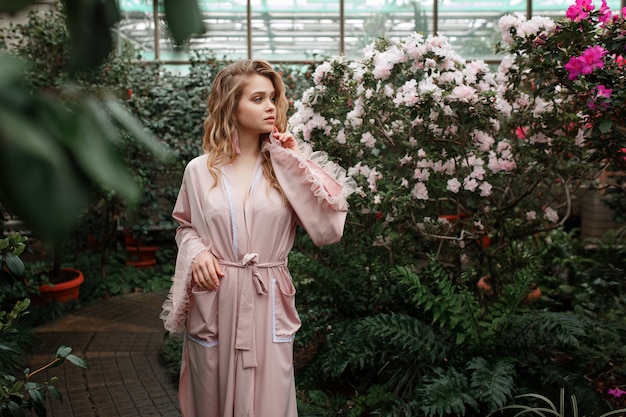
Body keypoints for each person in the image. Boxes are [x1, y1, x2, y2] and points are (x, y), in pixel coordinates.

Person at [160, 59, 355, 417]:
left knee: (269, 403)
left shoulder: (284, 167)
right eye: (258, 98)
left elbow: (329, 229)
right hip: (216, 299)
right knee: (211, 398)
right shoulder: (199, 171)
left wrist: (294, 161)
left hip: (268, 302)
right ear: (231, 106)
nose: (271, 106)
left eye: (273, 98)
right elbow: (186, 226)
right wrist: (199, 251)